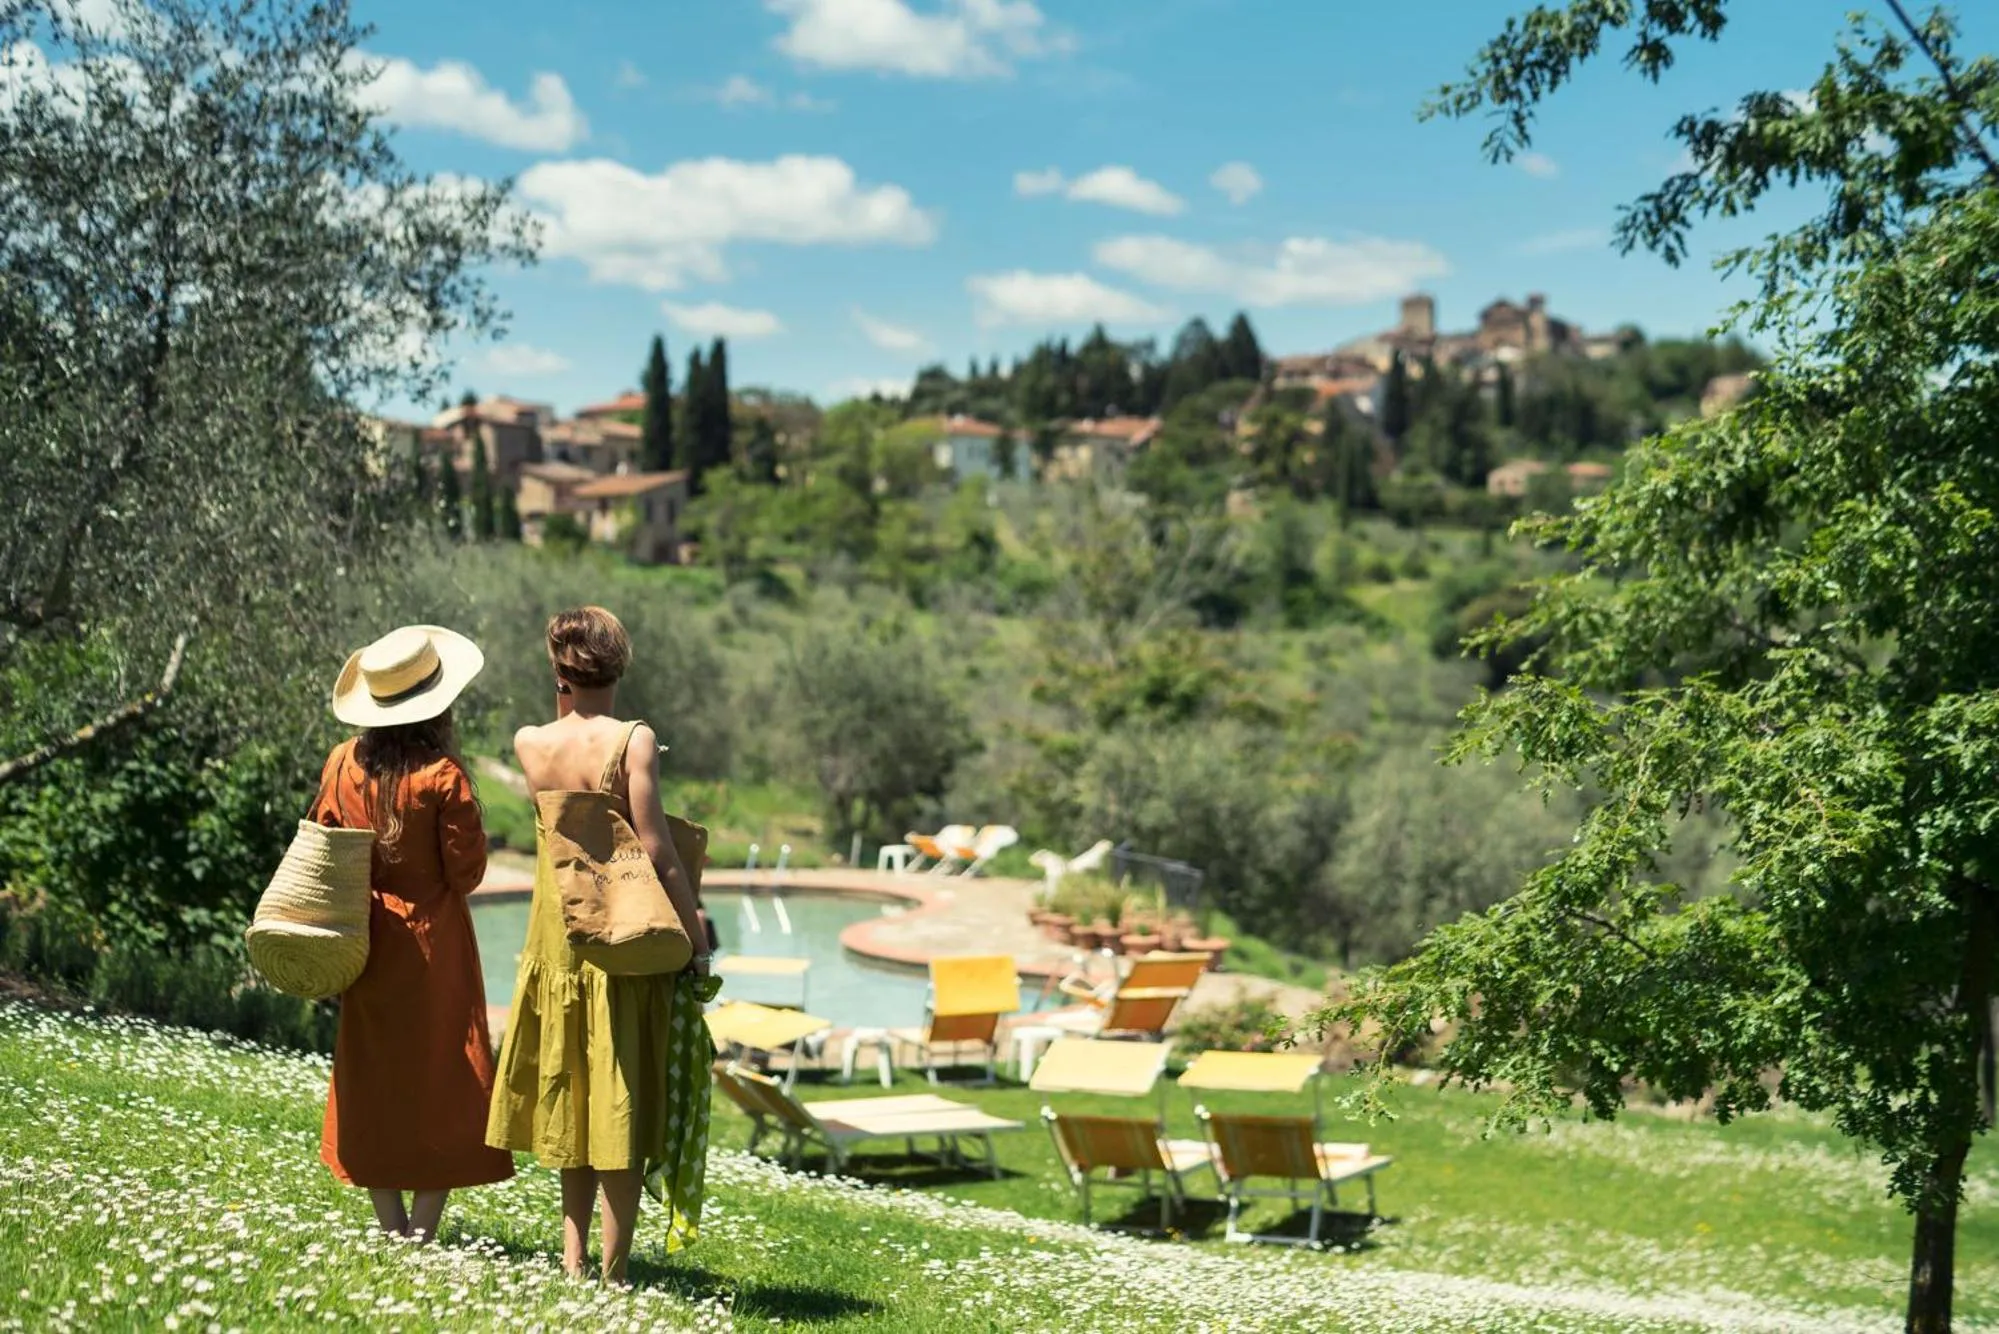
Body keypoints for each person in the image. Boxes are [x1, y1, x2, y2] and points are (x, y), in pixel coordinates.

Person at [486, 606, 715, 1284]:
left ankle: (573, 1259)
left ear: (558, 669)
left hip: (558, 935)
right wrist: (695, 938)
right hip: (622, 934)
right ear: (620, 663)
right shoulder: (635, 739)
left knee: (574, 1093)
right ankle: (615, 1272)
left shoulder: (530, 742)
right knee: (617, 1095)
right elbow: (656, 852)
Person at [315, 624, 514, 1239]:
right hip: (433, 946)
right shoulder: (443, 776)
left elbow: (325, 840)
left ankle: (389, 1224)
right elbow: (469, 872)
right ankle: (422, 1230)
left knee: (372, 1073)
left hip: (366, 943)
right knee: (445, 1076)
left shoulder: (343, 762)